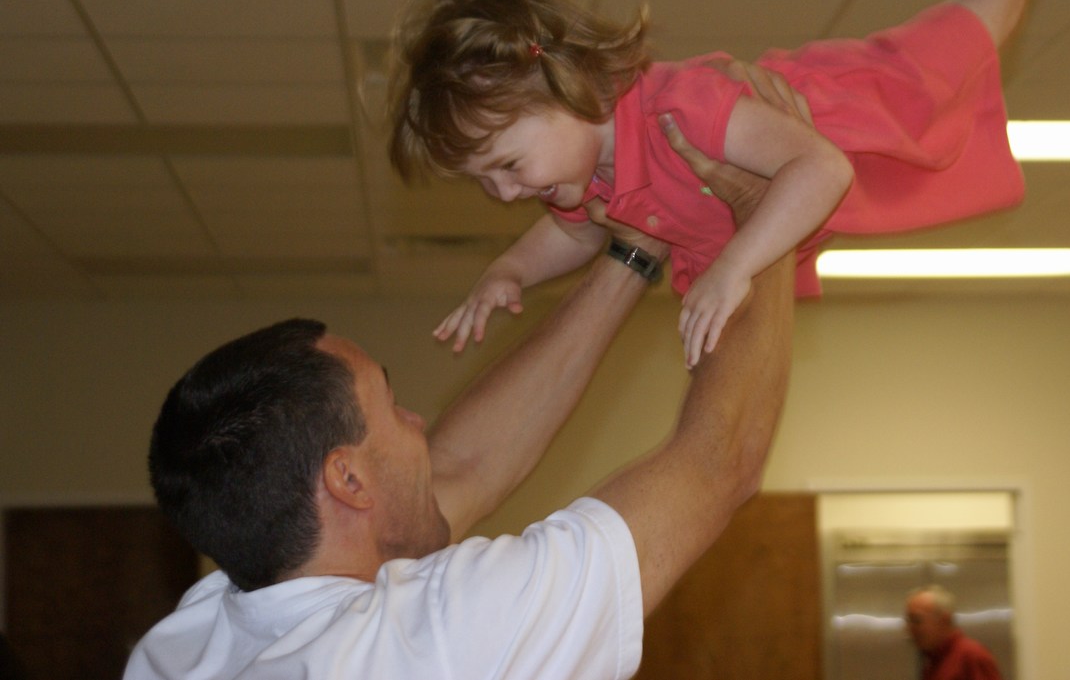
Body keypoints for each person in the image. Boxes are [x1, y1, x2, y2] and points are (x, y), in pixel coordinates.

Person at [386, 0, 1070, 368]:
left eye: (507, 164)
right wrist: (507, 271)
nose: (504, 193)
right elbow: (572, 234)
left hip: (851, 112)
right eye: (484, 180)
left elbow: (822, 167)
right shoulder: (586, 179)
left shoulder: (678, 107)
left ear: (562, 85)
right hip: (811, 188)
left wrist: (734, 267)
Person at [123, 97, 797, 680]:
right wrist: (766, 210)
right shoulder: (439, 635)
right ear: (347, 480)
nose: (419, 421)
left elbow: (457, 470)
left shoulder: (187, 642)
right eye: (391, 408)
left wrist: (634, 251)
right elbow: (719, 461)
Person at [905, 585, 1004, 680]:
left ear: (944, 620)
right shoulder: (933, 662)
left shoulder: (972, 657)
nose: (910, 629)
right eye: (909, 621)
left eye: (916, 620)